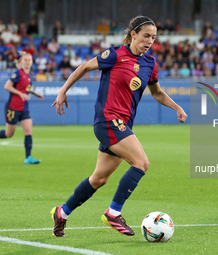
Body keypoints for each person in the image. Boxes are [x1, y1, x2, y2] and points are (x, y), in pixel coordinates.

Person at [50, 15, 187, 238]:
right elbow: (85, 67)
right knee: (141, 162)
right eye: (145, 36)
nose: (150, 40)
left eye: (153, 37)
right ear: (133, 34)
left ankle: (62, 213)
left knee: (99, 179)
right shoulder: (115, 54)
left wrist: (177, 107)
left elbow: (157, 93)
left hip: (122, 124)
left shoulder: (149, 64)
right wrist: (63, 89)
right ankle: (113, 212)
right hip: (107, 120)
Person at [0, 52, 44, 164]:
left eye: (29, 60)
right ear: (21, 62)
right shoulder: (18, 74)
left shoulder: (29, 75)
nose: (28, 62)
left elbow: (27, 89)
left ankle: (28, 158)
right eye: (25, 60)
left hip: (24, 107)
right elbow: (7, 86)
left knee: (28, 131)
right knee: (9, 134)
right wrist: (20, 94)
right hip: (13, 108)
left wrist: (35, 93)